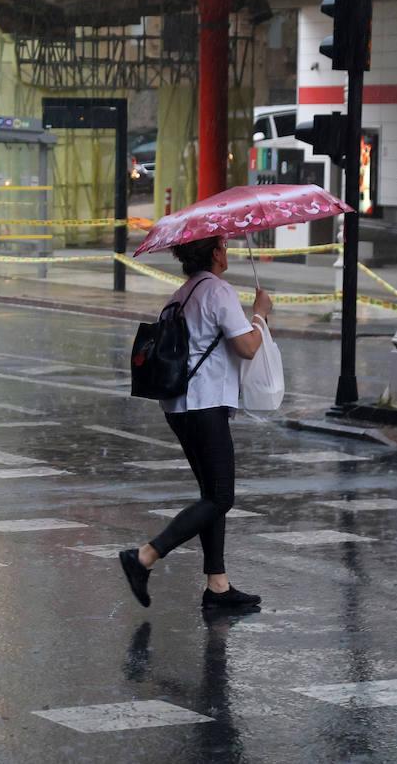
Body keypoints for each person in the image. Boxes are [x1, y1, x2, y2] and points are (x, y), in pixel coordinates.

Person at [119, 235, 273, 611]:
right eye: (224, 245)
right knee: (221, 496)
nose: (228, 250)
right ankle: (145, 556)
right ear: (216, 253)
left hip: (178, 406)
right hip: (205, 405)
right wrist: (260, 313)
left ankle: (217, 586)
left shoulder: (180, 294)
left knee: (211, 495)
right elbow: (248, 346)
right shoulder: (218, 292)